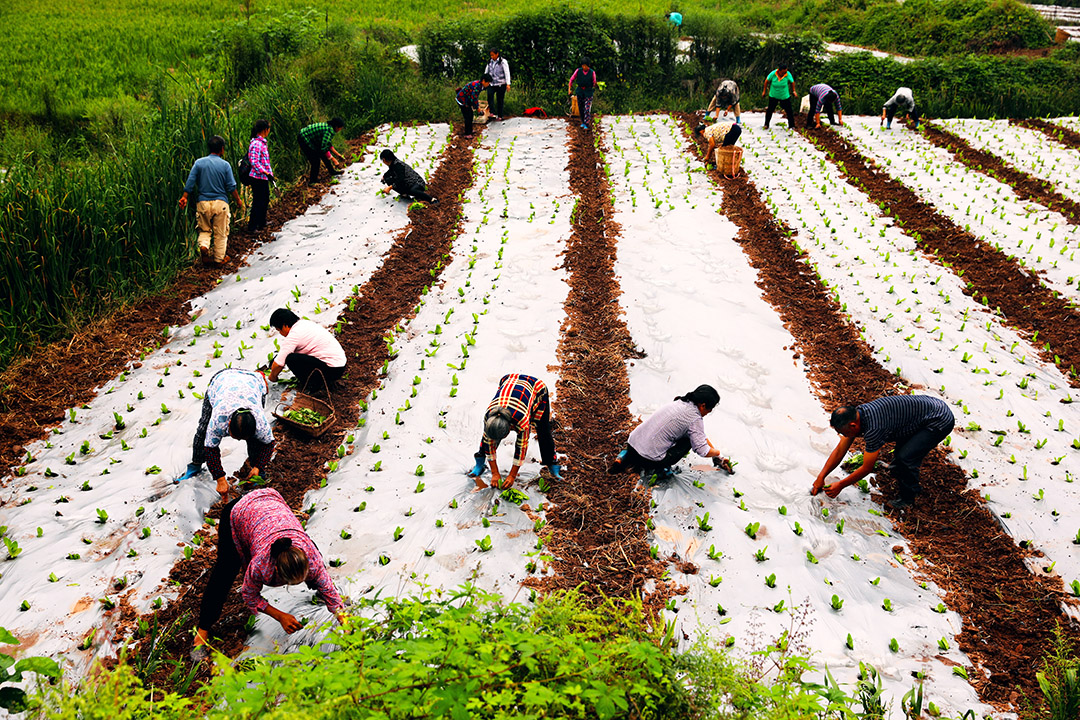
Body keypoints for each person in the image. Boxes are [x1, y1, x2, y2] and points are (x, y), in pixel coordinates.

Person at [193, 487, 346, 653]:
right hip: (239, 512)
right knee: (225, 571)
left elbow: (328, 587)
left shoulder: (311, 556)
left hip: (271, 501)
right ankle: (202, 632)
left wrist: (345, 620)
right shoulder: (261, 564)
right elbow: (249, 594)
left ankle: (319, 592)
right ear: (276, 572)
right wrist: (280, 616)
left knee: (322, 582)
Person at [811, 394, 955, 509]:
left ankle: (908, 497)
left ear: (853, 426)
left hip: (938, 419)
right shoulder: (858, 414)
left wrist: (840, 485)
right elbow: (840, 450)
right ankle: (898, 468)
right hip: (921, 413)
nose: (844, 436)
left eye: (844, 433)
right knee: (901, 456)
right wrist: (821, 476)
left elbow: (867, 468)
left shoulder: (874, 428)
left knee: (906, 458)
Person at [178, 368, 274, 495]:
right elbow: (210, 448)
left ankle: (257, 472)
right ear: (228, 424)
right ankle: (195, 465)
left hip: (252, 383)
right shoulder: (219, 419)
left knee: (255, 441)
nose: (239, 440)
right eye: (236, 437)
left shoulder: (260, 423)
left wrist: (258, 466)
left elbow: (268, 444)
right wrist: (220, 478)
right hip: (222, 381)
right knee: (203, 430)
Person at [607, 385, 733, 482]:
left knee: (685, 434)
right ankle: (660, 469)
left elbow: (701, 435)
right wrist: (717, 453)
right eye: (709, 410)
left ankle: (625, 457)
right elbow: (702, 450)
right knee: (689, 440)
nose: (708, 412)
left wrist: (717, 456)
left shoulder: (680, 401)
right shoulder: (695, 419)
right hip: (648, 458)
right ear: (703, 405)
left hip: (633, 443)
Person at [467, 374, 562, 489]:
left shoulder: (521, 420)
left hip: (536, 388)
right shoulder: (489, 416)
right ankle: (480, 463)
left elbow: (521, 447)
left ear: (509, 429)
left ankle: (552, 464)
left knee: (543, 429)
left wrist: (512, 476)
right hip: (508, 381)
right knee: (489, 436)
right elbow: (489, 441)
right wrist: (495, 473)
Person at [178, 135, 245, 266]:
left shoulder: (199, 163)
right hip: (220, 204)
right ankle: (219, 259)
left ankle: (204, 246)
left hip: (203, 203)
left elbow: (190, 181)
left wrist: (184, 197)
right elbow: (231, 186)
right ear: (222, 149)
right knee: (220, 232)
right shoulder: (225, 165)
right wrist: (238, 200)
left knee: (204, 230)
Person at [268, 308, 347, 389]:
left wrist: (272, 377)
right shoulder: (305, 324)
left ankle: (313, 385)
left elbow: (279, 364)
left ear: (285, 326)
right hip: (340, 365)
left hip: (331, 370)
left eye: (279, 330)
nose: (280, 333)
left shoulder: (294, 335)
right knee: (289, 355)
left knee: (291, 359)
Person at [298, 118, 347, 185]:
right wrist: (333, 159)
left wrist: (338, 155)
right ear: (336, 127)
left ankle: (332, 171)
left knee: (322, 154)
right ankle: (313, 181)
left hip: (311, 138)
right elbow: (323, 148)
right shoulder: (328, 131)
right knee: (315, 161)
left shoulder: (329, 128)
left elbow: (328, 144)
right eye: (340, 128)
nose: (340, 130)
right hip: (304, 138)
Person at [246, 119, 274, 233]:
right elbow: (254, 162)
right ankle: (252, 227)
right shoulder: (257, 144)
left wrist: (269, 174)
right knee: (258, 201)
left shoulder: (262, 143)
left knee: (265, 199)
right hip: (257, 177)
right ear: (265, 130)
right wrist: (266, 173)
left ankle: (262, 222)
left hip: (263, 177)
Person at [762, 64, 796, 130]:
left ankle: (792, 125)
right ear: (779, 71)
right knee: (770, 110)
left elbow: (792, 82)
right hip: (773, 95)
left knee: (789, 111)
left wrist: (794, 91)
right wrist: (764, 91)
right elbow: (766, 81)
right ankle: (766, 124)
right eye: (783, 72)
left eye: (785, 72)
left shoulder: (787, 74)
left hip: (784, 96)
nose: (784, 73)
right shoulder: (773, 74)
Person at [568, 59, 598, 131]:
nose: (584, 67)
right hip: (580, 91)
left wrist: (596, 84)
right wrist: (569, 89)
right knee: (581, 107)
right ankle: (583, 122)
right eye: (583, 65)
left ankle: (586, 123)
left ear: (588, 66)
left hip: (588, 91)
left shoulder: (592, 72)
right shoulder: (578, 71)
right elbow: (571, 79)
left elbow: (594, 82)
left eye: (585, 66)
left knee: (587, 108)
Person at [484, 49, 511, 121]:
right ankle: (492, 112)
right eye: (491, 55)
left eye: (493, 55)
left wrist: (508, 84)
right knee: (490, 96)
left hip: (500, 83)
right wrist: (484, 81)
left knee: (500, 99)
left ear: (497, 54)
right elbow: (486, 72)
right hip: (492, 83)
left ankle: (500, 115)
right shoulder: (490, 62)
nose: (492, 56)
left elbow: (507, 72)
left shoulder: (503, 62)